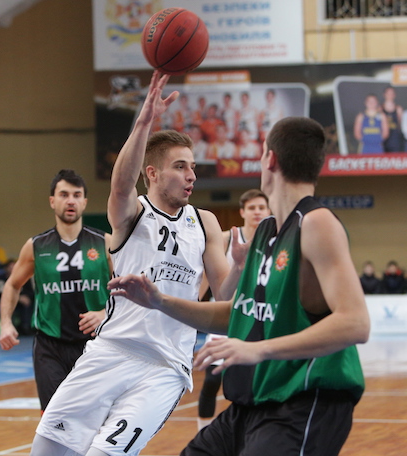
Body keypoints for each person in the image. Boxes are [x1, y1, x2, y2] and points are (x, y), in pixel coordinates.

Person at [109, 116, 370, 456]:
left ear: (270, 159)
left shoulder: (316, 222)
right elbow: (237, 313)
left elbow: (355, 323)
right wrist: (160, 301)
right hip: (251, 404)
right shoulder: (265, 232)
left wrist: (259, 349)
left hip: (302, 402)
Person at [31, 72, 238, 456]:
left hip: (164, 366)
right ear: (153, 173)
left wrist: (238, 264)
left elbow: (227, 298)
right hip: (110, 351)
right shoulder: (133, 213)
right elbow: (121, 185)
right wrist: (144, 121)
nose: (191, 175)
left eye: (192, 167)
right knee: (46, 451)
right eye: (180, 166)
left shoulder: (205, 222)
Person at [0, 169, 111, 412]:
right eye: (64, 194)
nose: (70, 201)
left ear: (84, 202)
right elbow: (13, 285)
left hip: (95, 345)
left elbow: (130, 289)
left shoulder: (104, 243)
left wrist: (106, 313)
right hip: (50, 346)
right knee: (53, 419)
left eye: (76, 195)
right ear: (52, 201)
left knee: (93, 418)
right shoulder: (36, 246)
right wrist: (6, 323)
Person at [197, 189, 271, 431]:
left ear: (268, 211)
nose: (257, 212)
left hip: (257, 317)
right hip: (225, 315)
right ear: (242, 212)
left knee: (253, 379)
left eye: (261, 207)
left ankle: (254, 430)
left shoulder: (274, 240)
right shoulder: (227, 239)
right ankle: (203, 431)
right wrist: (192, 306)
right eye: (252, 208)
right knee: (212, 379)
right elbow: (206, 275)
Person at [382, 86, 404, 152]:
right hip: (383, 140)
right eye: (388, 93)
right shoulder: (380, 109)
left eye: (392, 93)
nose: (390, 95)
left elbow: (401, 125)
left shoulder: (399, 109)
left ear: (395, 95)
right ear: (384, 95)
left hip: (395, 139)